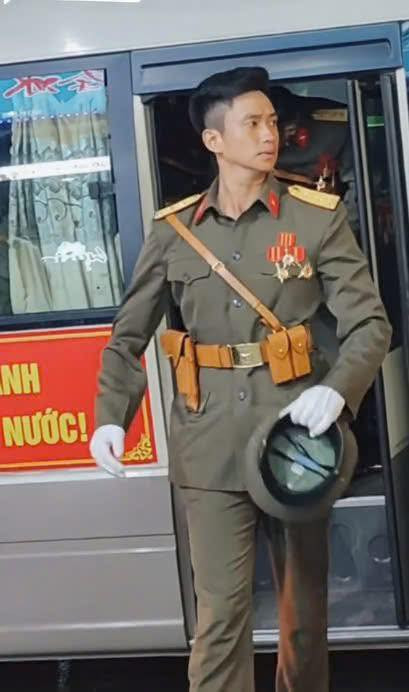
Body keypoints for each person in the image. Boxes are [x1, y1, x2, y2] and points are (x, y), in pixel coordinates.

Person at [90, 67, 392, 692]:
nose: (269, 134)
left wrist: (337, 388)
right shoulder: (175, 232)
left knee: (303, 617)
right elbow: (128, 335)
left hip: (296, 443)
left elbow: (369, 323)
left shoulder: (316, 218)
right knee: (221, 615)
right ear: (214, 141)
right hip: (209, 445)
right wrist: (111, 417)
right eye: (251, 123)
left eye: (272, 122)